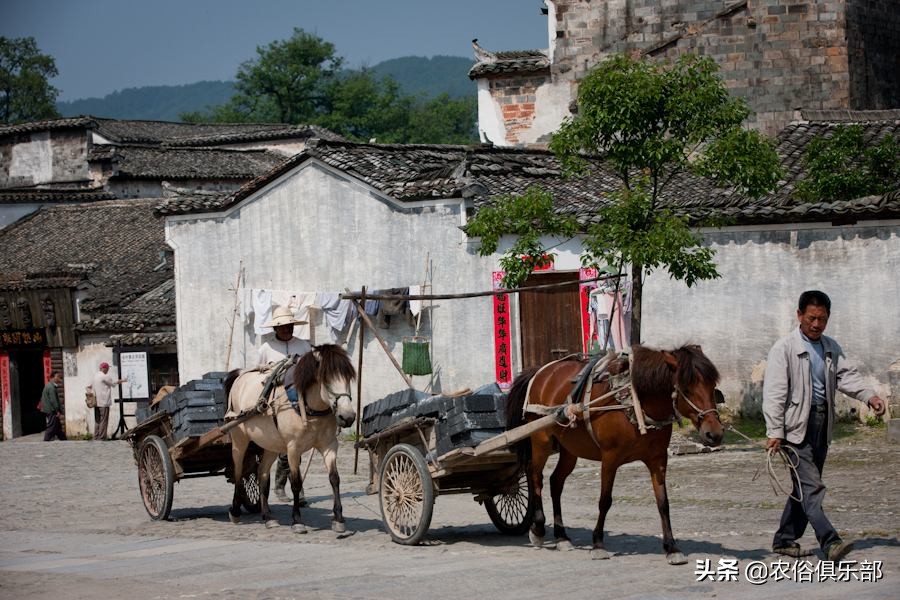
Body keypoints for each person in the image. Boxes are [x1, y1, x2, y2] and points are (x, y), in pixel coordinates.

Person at [763, 290, 886, 562]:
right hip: (795, 428)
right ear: (799, 316)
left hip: (821, 423)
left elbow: (847, 377)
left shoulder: (830, 346)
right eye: (811, 318)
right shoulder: (784, 349)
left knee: (803, 487)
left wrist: (871, 396)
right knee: (812, 486)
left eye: (822, 319)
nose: (816, 324)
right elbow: (774, 394)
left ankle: (784, 539)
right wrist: (775, 431)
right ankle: (830, 541)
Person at [257, 306, 312, 503]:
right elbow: (260, 375)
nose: (287, 330)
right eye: (282, 327)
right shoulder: (266, 348)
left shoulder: (304, 346)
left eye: (289, 326)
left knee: (297, 448)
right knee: (286, 450)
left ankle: (293, 487)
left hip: (299, 402)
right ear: (275, 329)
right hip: (276, 406)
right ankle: (281, 486)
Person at [91, 362, 127, 441]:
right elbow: (113, 383)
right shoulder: (105, 376)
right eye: (107, 368)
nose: (108, 370)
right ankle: (102, 437)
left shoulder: (95, 376)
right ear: (104, 368)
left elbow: (88, 386)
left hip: (96, 402)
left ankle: (96, 436)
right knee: (104, 420)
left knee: (97, 420)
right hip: (104, 402)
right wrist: (122, 381)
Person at [41, 371, 66, 441]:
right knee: (51, 426)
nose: (58, 378)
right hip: (51, 410)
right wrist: (57, 410)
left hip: (51, 409)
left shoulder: (50, 386)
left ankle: (63, 439)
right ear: (52, 377)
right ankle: (46, 440)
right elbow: (53, 400)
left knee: (58, 427)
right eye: (57, 377)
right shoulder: (51, 387)